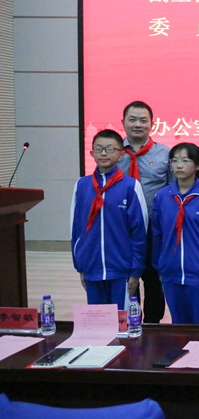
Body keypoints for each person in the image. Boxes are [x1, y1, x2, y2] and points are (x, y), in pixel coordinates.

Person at [70, 129, 147, 310]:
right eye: (99, 149)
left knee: (123, 321)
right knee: (98, 320)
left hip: (122, 270)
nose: (103, 153)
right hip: (92, 267)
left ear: (121, 154)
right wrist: (81, 266)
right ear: (91, 153)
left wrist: (136, 271)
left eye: (110, 149)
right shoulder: (81, 185)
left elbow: (139, 231)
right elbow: (75, 228)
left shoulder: (131, 186)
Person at [150, 143, 199, 324]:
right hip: (170, 272)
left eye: (185, 160)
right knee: (179, 326)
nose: (179, 165)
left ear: (198, 165)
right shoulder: (162, 197)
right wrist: (160, 264)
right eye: (174, 161)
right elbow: (157, 234)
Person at [117, 100, 172, 323]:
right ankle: (130, 322)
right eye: (132, 120)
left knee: (153, 279)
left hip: (153, 228)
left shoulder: (165, 153)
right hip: (122, 228)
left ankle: (153, 325)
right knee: (126, 278)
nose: (137, 124)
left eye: (143, 120)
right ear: (123, 122)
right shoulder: (114, 152)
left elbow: (172, 192)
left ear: (152, 124)